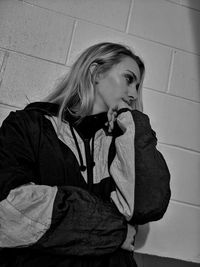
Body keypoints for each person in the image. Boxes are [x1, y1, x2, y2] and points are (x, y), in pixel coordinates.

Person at [0, 42, 170, 267]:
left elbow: (147, 205)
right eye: (129, 79)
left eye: (138, 86)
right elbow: (9, 208)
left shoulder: (125, 143)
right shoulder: (28, 126)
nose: (134, 93)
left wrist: (133, 122)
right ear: (96, 72)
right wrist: (116, 230)